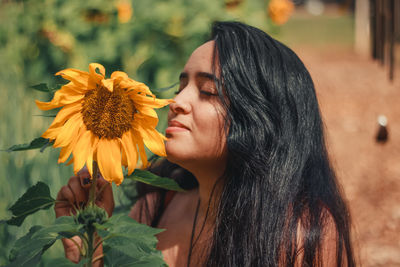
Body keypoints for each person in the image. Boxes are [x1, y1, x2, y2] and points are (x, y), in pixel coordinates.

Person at [55, 21, 355, 266]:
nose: (176, 102)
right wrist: (91, 247)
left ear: (260, 120)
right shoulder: (154, 207)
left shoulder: (300, 237)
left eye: (208, 91)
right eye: (182, 85)